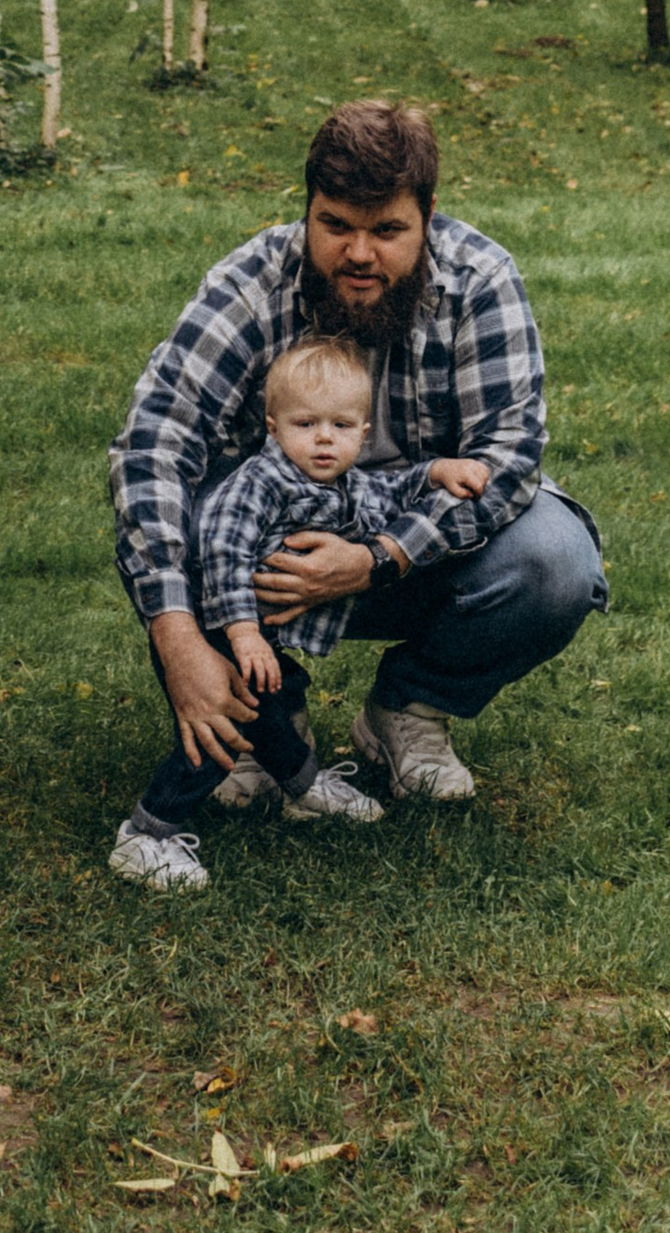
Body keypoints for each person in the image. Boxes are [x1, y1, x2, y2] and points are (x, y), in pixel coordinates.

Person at [109, 96, 606, 870]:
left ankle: (408, 708)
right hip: (262, 566)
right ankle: (264, 722)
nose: (360, 254)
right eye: (336, 225)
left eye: (387, 230)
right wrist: (175, 635)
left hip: (414, 554)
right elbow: (153, 443)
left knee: (556, 561)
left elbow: (509, 455)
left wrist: (377, 556)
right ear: (307, 210)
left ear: (429, 216)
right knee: (184, 514)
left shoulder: (481, 281)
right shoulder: (251, 282)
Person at [108, 331, 495, 890]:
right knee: (226, 728)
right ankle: (149, 832)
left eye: (340, 427)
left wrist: (434, 473)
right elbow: (220, 550)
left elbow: (388, 491)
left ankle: (305, 788)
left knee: (270, 708)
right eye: (305, 424)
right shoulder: (261, 483)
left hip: (262, 633)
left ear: (362, 435)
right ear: (273, 427)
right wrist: (241, 634)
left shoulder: (345, 481)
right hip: (216, 626)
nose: (322, 440)